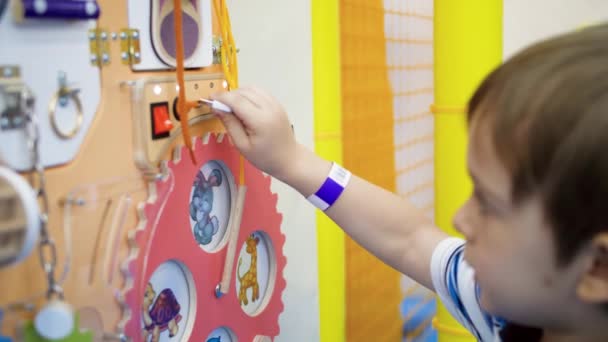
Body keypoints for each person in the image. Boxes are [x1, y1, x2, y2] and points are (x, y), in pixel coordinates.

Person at [210, 24, 608, 342]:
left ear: (597, 269)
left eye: (488, 203)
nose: (460, 218)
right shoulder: (514, 311)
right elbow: (411, 239)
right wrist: (293, 161)